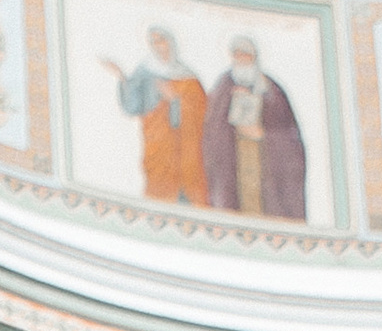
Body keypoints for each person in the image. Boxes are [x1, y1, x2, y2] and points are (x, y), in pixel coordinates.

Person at [200, 33, 306, 220]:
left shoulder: (272, 91)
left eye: (246, 55)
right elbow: (212, 130)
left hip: (263, 163)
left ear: (254, 58)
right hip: (234, 161)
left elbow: (290, 139)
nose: (242, 60)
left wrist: (263, 135)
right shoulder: (223, 87)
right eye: (237, 55)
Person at [101, 28, 206, 202]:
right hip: (156, 140)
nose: (159, 46)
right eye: (154, 42)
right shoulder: (145, 72)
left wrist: (175, 100)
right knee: (158, 184)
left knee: (185, 181)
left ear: (170, 43)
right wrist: (121, 77)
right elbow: (132, 107)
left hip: (184, 144)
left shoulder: (187, 77)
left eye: (161, 41)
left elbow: (201, 111)